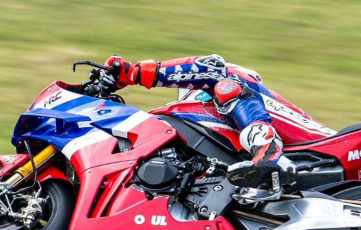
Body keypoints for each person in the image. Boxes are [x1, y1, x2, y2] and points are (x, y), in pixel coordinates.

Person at [99, 54, 298, 190]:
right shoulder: (187, 105)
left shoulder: (228, 81)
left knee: (227, 84)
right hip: (240, 153)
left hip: (306, 142)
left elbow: (213, 67)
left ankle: (268, 153)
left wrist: (134, 73)